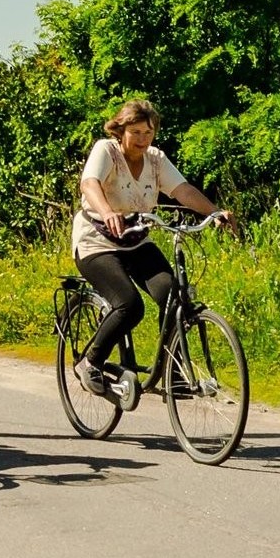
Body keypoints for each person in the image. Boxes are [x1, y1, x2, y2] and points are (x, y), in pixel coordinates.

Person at [69, 98, 232, 391]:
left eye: (148, 132)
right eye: (136, 133)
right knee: (129, 305)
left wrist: (214, 212)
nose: (143, 139)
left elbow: (182, 190)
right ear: (121, 131)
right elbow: (89, 183)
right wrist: (107, 212)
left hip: (135, 240)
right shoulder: (106, 150)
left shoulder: (155, 159)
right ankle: (90, 363)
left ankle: (176, 375)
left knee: (174, 295)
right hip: (96, 243)